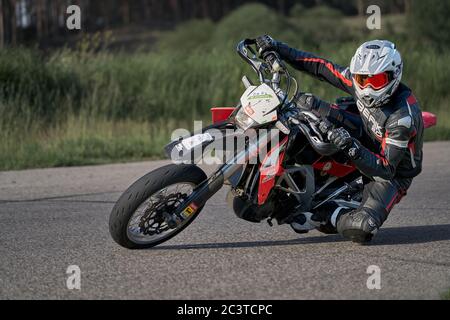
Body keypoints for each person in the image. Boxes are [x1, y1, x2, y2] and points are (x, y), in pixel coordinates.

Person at [256, 35, 424, 243]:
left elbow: (385, 168)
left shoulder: (402, 118)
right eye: (363, 79)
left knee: (363, 229)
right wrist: (278, 47)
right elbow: (321, 67)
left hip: (392, 173)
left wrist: (349, 144)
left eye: (377, 80)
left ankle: (323, 216)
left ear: (394, 76)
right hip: (365, 132)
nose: (368, 88)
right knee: (307, 103)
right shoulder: (356, 81)